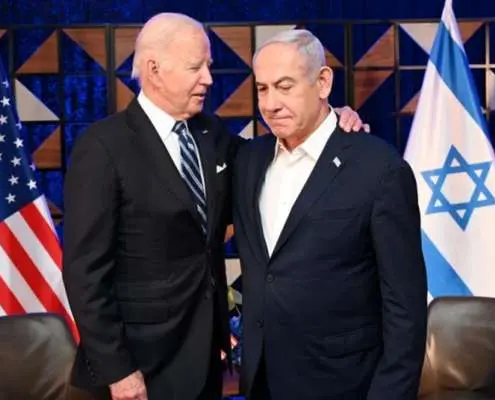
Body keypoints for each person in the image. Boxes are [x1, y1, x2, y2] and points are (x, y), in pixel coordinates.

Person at [62, 13, 367, 400]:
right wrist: (119, 371)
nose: (208, 78)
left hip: (204, 362)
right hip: (136, 370)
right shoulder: (103, 147)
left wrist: (330, 119)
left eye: (207, 65)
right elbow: (85, 273)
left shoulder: (211, 133)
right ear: (154, 70)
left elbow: (273, 157)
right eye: (196, 67)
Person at [232, 29, 428, 400]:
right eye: (262, 89)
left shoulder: (379, 169)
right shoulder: (248, 160)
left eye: (285, 86)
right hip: (262, 381)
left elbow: (405, 308)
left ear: (323, 82)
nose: (270, 103)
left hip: (344, 384)